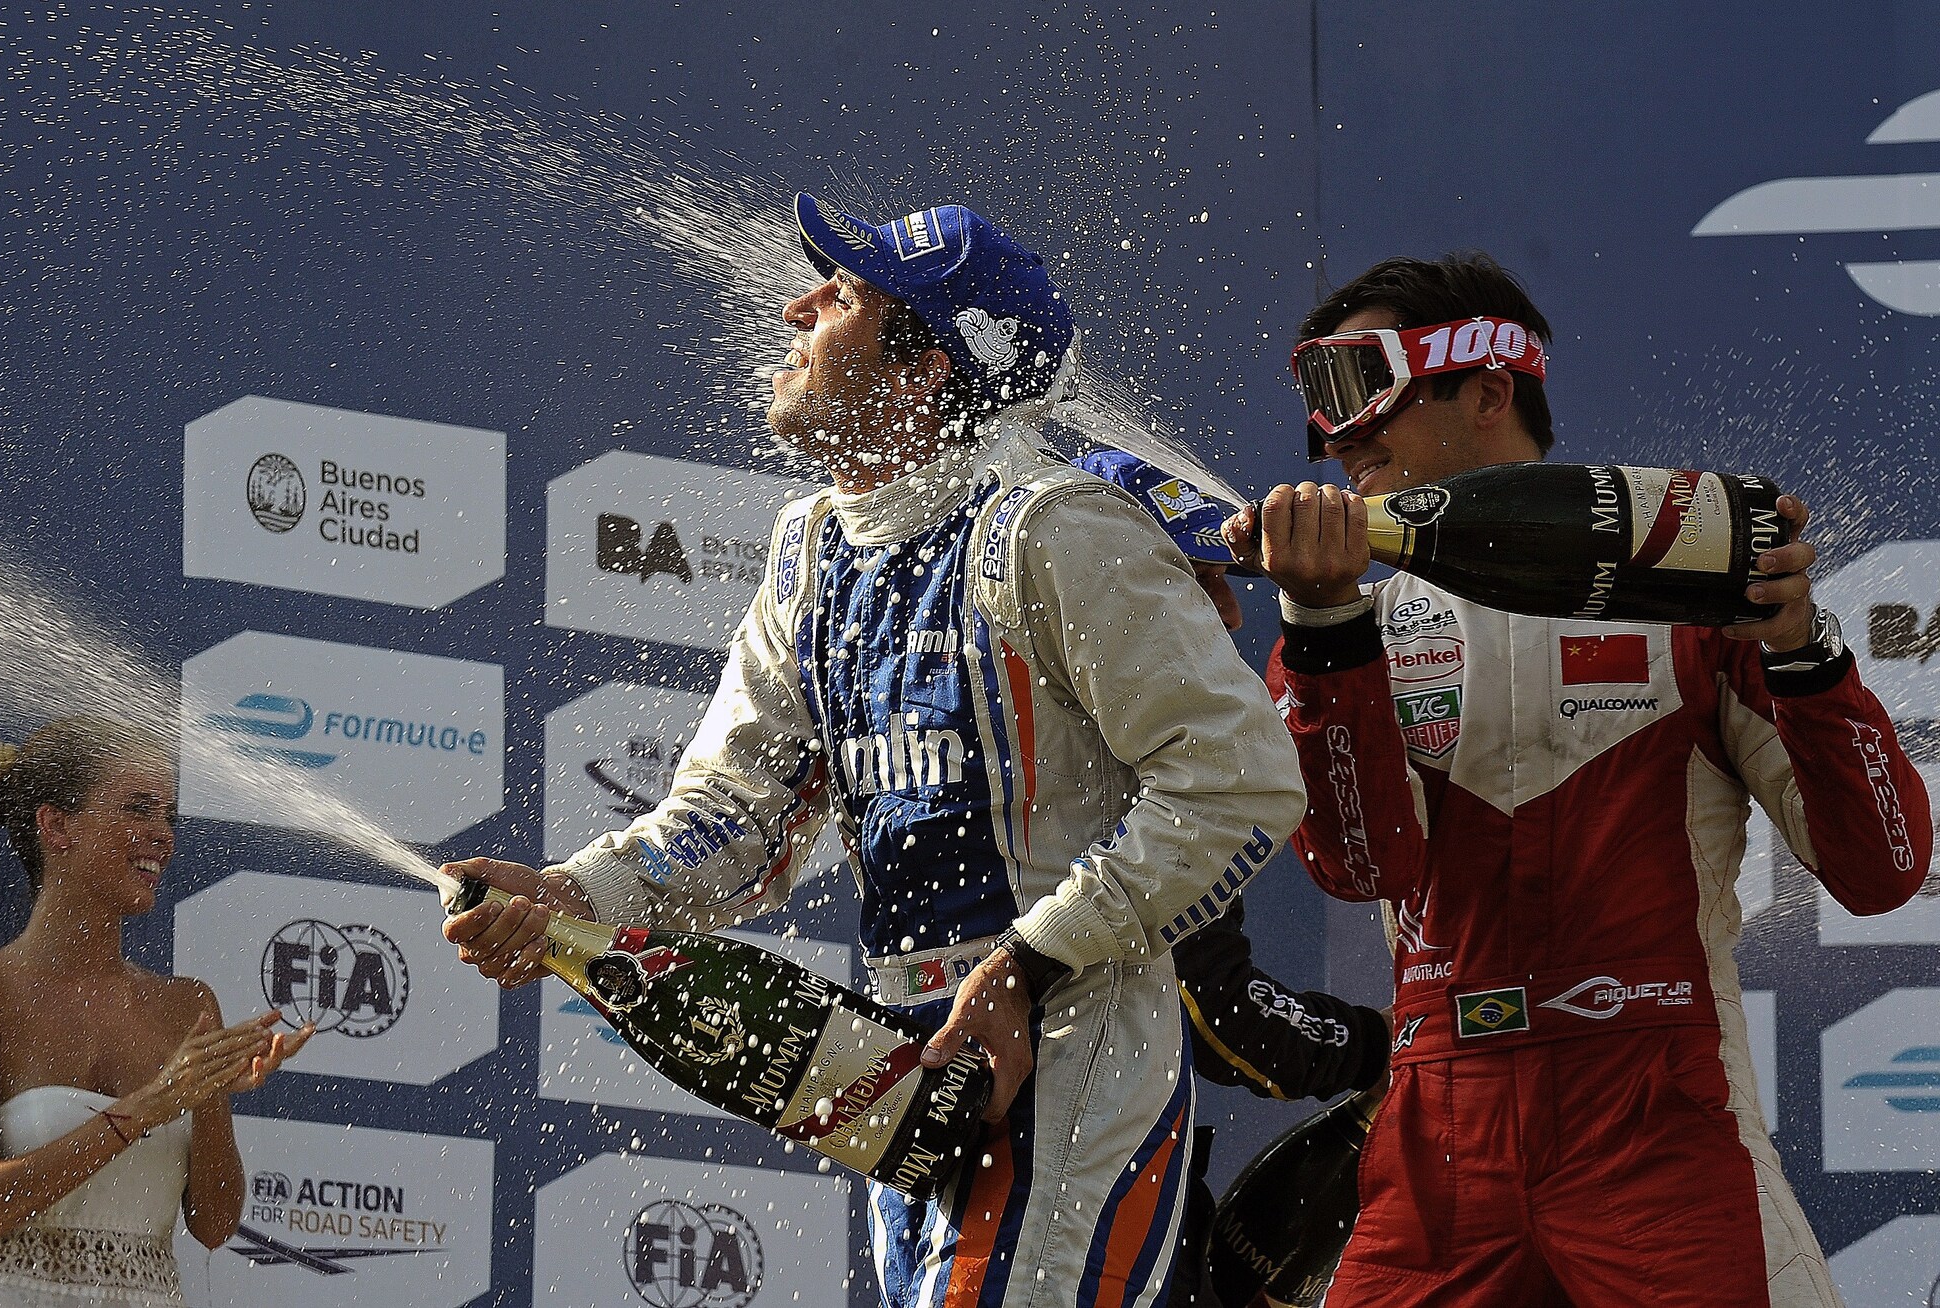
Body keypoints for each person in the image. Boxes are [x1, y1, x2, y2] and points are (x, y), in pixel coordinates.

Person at [444, 195, 1308, 1307]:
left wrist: (1028, 964)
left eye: (844, 293)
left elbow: (1241, 781)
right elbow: (738, 819)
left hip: (1070, 1034)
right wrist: (576, 894)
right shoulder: (809, 547)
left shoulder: (1054, 527)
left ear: (922, 372)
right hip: (902, 1064)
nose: (796, 307)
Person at [1230, 252, 1933, 1307]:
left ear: (1487, 390)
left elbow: (1881, 871)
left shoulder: (1698, 589)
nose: (1337, 437)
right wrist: (1322, 626)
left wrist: (1805, 652)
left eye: (1359, 385)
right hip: (1441, 1132)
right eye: (1316, 402)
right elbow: (1363, 868)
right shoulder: (1344, 632)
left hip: (1657, 1114)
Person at [1074, 448, 1391, 1308]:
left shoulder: (1016, 708)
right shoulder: (1131, 753)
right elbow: (1217, 1015)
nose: (1230, 611)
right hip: (1080, 1195)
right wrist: (1385, 1047)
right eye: (1199, 579)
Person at [0, 716, 312, 1308]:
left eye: (168, 817)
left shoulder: (188, 1006)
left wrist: (204, 1095)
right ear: (57, 826)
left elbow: (213, 1224)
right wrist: (150, 1106)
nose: (162, 836)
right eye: (138, 809)